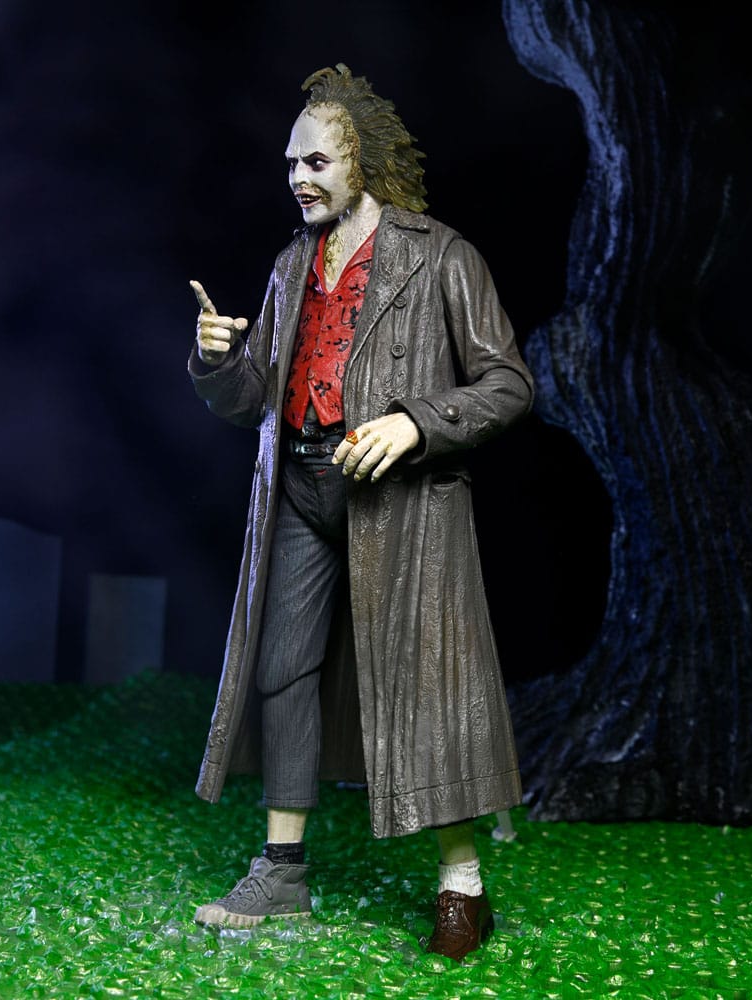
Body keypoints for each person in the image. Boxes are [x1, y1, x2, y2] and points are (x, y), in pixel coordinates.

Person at [188, 64, 533, 962]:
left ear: (362, 163)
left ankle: (462, 885)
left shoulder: (440, 255)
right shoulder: (291, 265)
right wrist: (218, 359)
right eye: (290, 163)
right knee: (283, 669)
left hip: (401, 502)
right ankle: (282, 873)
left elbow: (507, 384)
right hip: (299, 488)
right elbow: (254, 398)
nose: (298, 178)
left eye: (316, 162)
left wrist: (416, 422)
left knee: (426, 683)